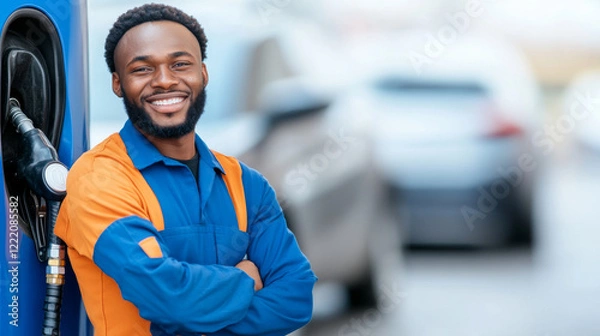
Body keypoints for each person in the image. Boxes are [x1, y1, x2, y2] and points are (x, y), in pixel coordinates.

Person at [55, 3, 317, 335]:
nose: (164, 81)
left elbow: (295, 297)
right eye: (142, 69)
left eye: (180, 64)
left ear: (202, 74)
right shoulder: (99, 181)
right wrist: (246, 278)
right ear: (118, 83)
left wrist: (190, 318)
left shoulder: (247, 184)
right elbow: (167, 296)